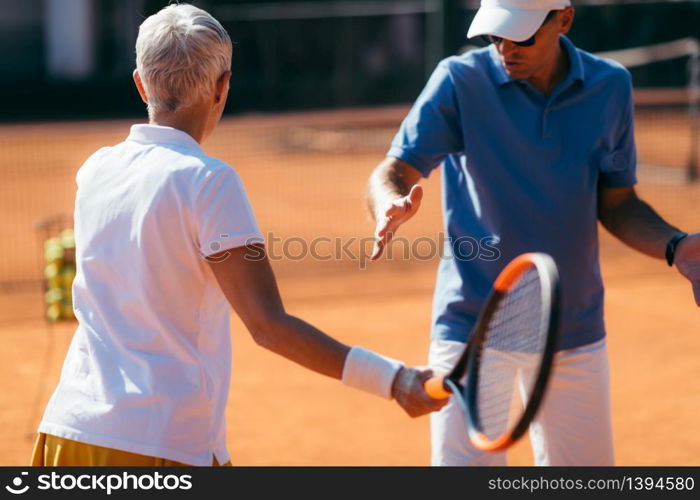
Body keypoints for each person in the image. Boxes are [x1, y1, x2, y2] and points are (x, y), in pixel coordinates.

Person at [31, 3, 445, 467]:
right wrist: (394, 380)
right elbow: (269, 327)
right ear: (222, 86)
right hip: (165, 444)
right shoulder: (209, 181)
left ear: (140, 83)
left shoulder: (94, 170)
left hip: (68, 432)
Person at [367, 0, 700, 466]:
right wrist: (389, 203)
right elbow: (393, 171)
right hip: (471, 326)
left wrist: (676, 245)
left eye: (520, 35)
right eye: (494, 34)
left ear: (563, 19)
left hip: (574, 329)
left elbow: (619, 205)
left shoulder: (610, 87)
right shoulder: (459, 80)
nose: (505, 48)